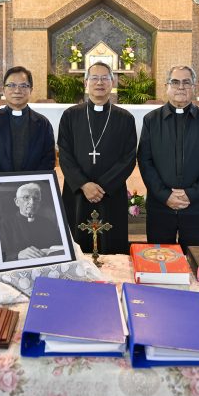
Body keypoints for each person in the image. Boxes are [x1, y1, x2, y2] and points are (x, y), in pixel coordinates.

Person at [137, 65, 199, 250]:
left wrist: (190, 194)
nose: (181, 87)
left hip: (196, 207)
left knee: (194, 261)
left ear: (194, 86)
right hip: (160, 207)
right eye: (175, 82)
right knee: (160, 262)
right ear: (167, 86)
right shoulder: (151, 120)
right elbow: (145, 161)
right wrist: (165, 195)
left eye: (186, 82)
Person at [58, 62, 137, 255]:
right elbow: (64, 154)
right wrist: (84, 185)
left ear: (113, 82)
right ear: (86, 82)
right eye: (94, 78)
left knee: (111, 245)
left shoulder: (125, 118)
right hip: (78, 191)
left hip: (111, 192)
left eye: (104, 78)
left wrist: (102, 186)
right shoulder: (70, 116)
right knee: (77, 244)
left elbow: (129, 158)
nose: (99, 82)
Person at [0, 66, 55, 180]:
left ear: (30, 90)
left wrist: (31, 182)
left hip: (32, 189)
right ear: (4, 89)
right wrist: (3, 183)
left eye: (23, 86)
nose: (17, 90)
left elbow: (49, 158)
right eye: (11, 85)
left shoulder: (43, 123)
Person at [0, 182, 60, 260]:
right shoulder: (4, 225)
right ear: (17, 202)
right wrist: (18, 255)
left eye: (36, 198)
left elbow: (57, 245)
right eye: (26, 197)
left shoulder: (47, 223)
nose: (32, 202)